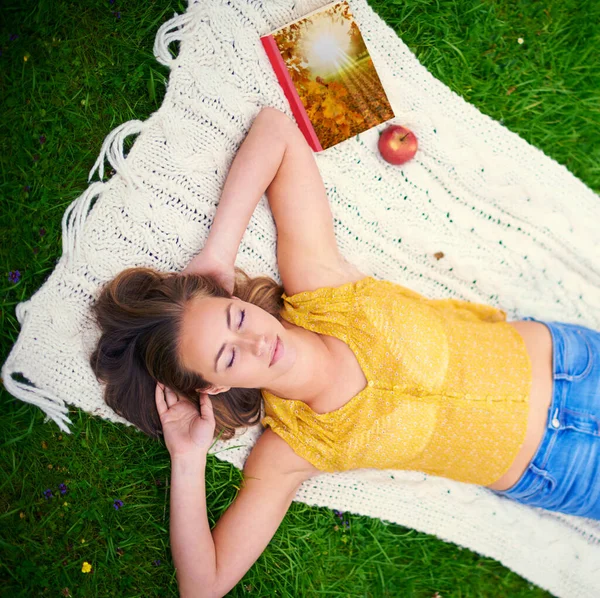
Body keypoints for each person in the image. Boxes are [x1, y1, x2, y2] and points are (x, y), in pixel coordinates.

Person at [89, 107, 600, 597]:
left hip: (574, 368)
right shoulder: (290, 450)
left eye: (237, 318)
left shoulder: (321, 290)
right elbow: (203, 586)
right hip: (564, 467)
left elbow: (277, 131)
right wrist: (188, 457)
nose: (257, 342)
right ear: (216, 386)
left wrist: (218, 254)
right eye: (228, 357)